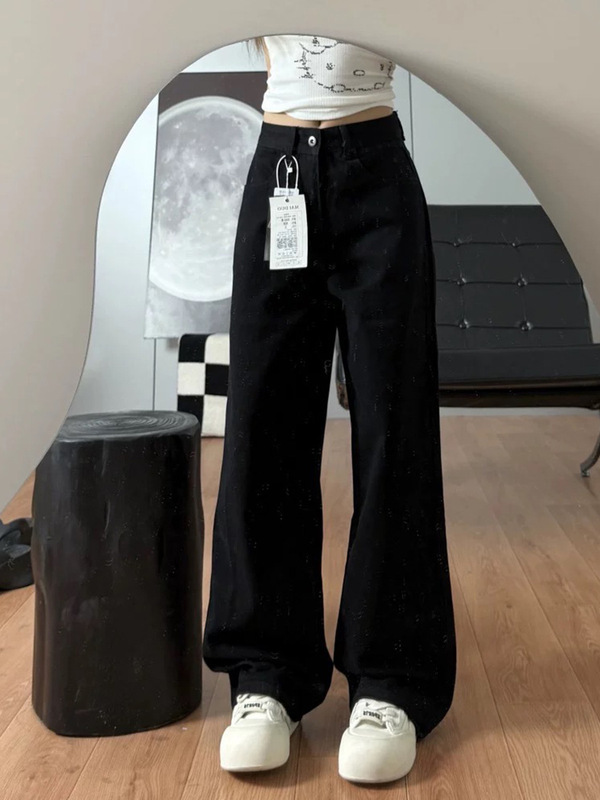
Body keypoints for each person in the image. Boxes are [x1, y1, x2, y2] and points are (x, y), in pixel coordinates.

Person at [202, 34, 457, 784]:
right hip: (279, 165)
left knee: (394, 433)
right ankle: (265, 674)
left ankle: (391, 682)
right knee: (263, 428)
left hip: (376, 168)